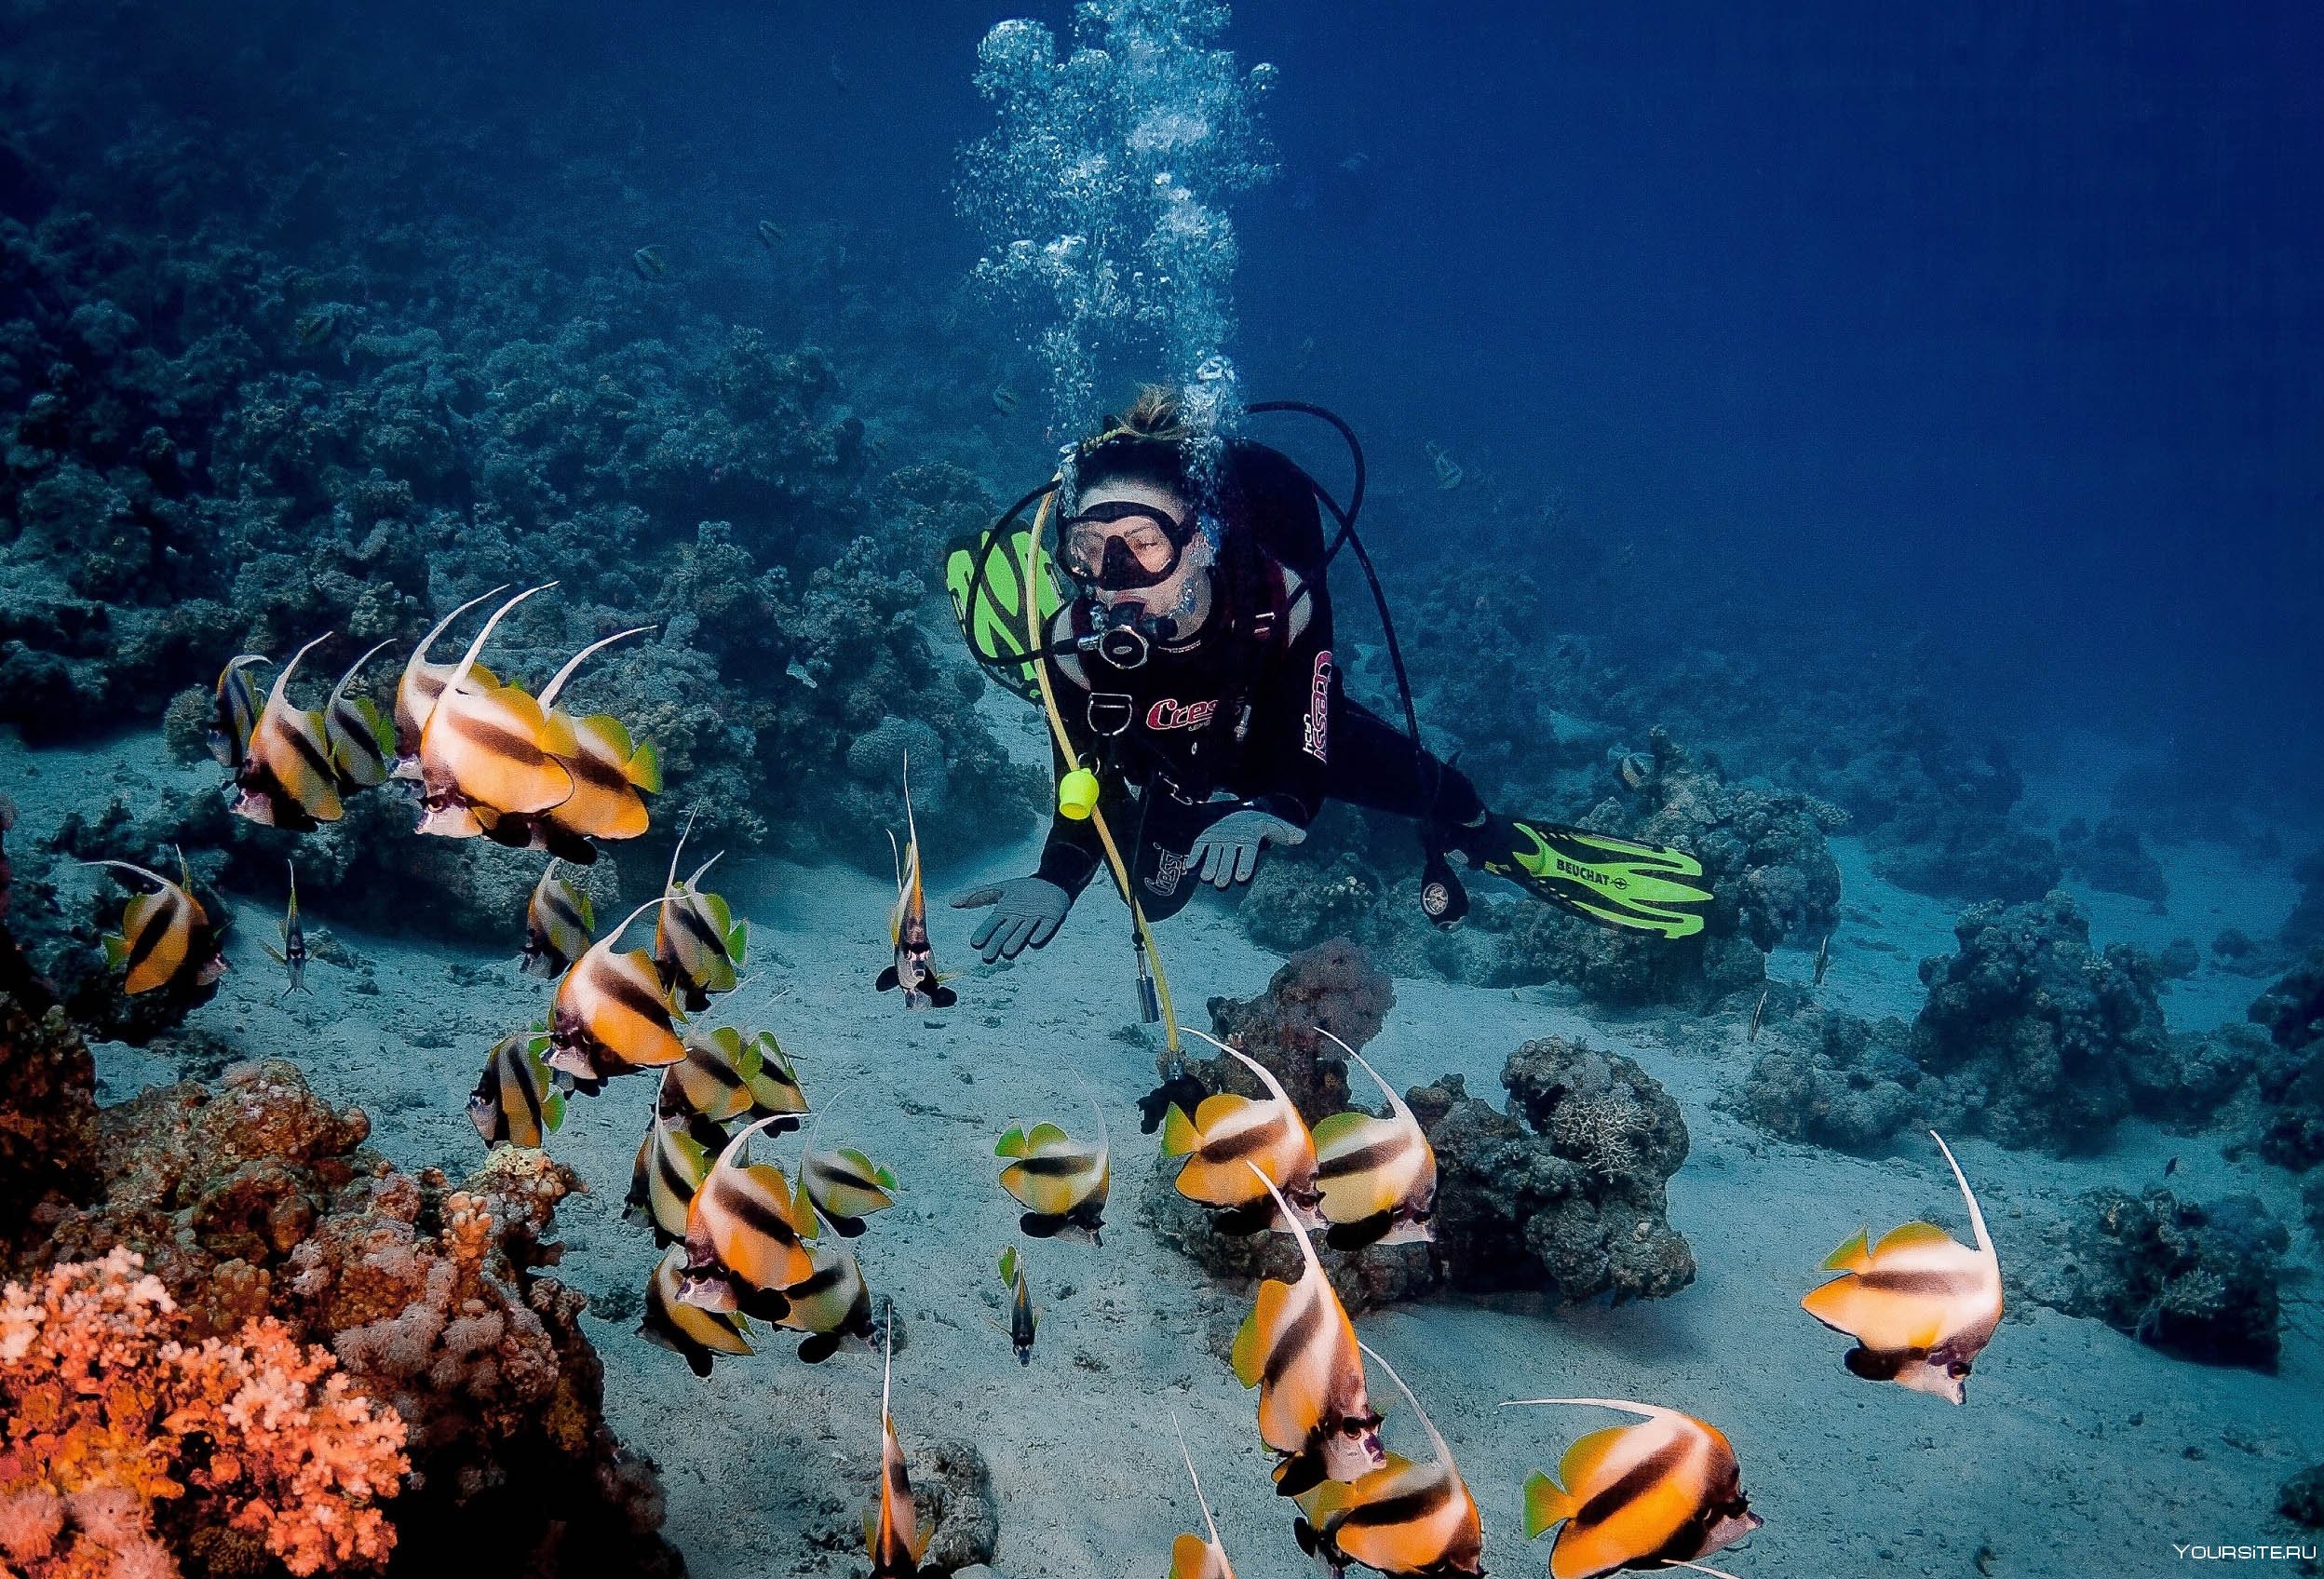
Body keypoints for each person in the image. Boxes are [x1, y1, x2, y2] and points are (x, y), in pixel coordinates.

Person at [952, 386, 1709, 963]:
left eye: (1144, 543)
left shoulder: (1281, 600)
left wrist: (1281, 801)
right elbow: (1077, 779)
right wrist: (1058, 872)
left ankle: (1498, 843)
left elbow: (1310, 729)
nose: (1114, 576)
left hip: (1272, 733)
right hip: (1160, 761)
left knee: (1446, 792)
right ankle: (1173, 807)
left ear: (1202, 541)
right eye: (1088, 549)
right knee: (1148, 899)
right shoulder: (1073, 644)